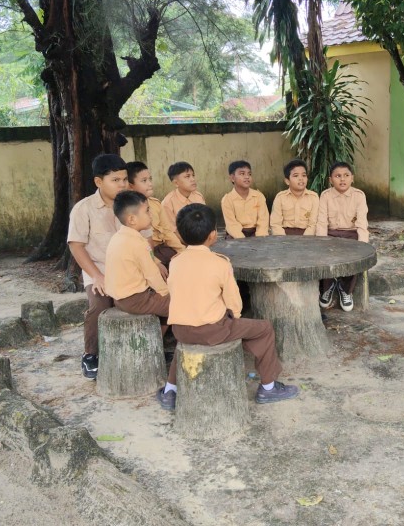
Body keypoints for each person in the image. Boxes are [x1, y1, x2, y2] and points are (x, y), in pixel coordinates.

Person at [157, 203, 299, 410]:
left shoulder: (175, 262)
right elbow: (234, 302)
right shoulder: (220, 263)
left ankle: (170, 391)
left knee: (189, 339)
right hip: (213, 330)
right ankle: (268, 387)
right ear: (213, 235)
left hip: (180, 331)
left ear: (179, 235)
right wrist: (235, 317)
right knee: (264, 329)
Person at [67, 154, 128, 379]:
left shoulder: (133, 204)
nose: (122, 184)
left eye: (124, 179)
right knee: (99, 306)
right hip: (98, 272)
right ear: (98, 182)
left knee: (149, 302)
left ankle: (157, 345)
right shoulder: (83, 209)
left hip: (130, 272)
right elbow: (76, 246)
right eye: (115, 180)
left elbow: (147, 239)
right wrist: (97, 275)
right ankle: (90, 354)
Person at [104, 191, 171, 331]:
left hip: (119, 299)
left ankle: (159, 340)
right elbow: (152, 274)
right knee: (179, 305)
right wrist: (166, 293)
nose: (151, 215)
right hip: (136, 299)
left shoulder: (118, 237)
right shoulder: (138, 243)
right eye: (147, 211)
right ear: (132, 219)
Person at [316, 162, 368, 312]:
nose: (342, 179)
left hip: (351, 234)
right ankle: (328, 286)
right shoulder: (325, 196)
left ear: (352, 178)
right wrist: (321, 243)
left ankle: (346, 290)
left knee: (353, 257)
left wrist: (362, 245)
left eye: (346, 175)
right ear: (330, 180)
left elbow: (362, 223)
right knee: (326, 255)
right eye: (337, 176)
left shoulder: (359, 196)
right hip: (330, 235)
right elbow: (321, 222)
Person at [126, 161, 185, 266]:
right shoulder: (128, 210)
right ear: (131, 186)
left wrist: (182, 250)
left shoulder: (156, 204)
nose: (150, 183)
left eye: (150, 179)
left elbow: (167, 232)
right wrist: (155, 262)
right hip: (146, 253)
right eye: (144, 181)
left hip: (164, 248)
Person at [270, 159, 319, 236]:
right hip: (285, 236)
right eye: (296, 176)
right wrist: (284, 240)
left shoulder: (314, 197)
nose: (301, 178)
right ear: (287, 181)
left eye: (304, 175)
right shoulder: (280, 197)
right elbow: (275, 224)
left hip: (307, 236)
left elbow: (313, 225)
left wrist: (305, 240)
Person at [221, 160, 269, 239]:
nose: (247, 177)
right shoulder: (227, 200)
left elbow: (263, 221)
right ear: (232, 178)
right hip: (237, 234)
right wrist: (242, 240)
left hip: (256, 233)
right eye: (242, 174)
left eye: (249, 174)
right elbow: (231, 225)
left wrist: (260, 238)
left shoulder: (259, 196)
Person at [161, 161, 205, 234]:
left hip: (199, 238)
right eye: (187, 176)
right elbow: (172, 231)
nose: (193, 179)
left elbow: (205, 221)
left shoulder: (198, 196)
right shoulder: (168, 203)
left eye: (193, 175)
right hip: (179, 241)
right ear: (176, 183)